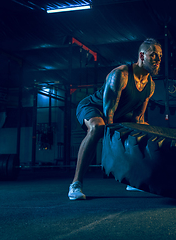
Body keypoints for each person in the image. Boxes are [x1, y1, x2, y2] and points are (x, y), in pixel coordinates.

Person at [68, 38, 162, 200]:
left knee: (143, 128)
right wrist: (111, 154)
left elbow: (138, 118)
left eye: (160, 56)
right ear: (141, 56)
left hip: (119, 113)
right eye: (153, 55)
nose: (158, 60)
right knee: (99, 127)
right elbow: (108, 113)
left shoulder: (150, 86)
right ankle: (76, 184)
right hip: (94, 107)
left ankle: (133, 181)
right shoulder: (121, 75)